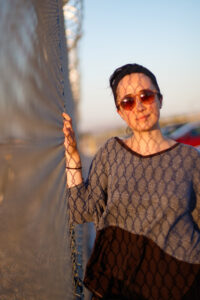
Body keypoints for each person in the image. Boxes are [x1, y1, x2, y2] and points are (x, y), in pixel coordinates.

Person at [63, 63, 200, 300]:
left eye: (146, 96)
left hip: (178, 284)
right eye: (127, 101)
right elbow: (79, 211)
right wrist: (73, 158)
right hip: (117, 284)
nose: (139, 107)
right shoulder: (111, 153)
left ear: (160, 99)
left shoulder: (189, 159)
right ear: (120, 111)